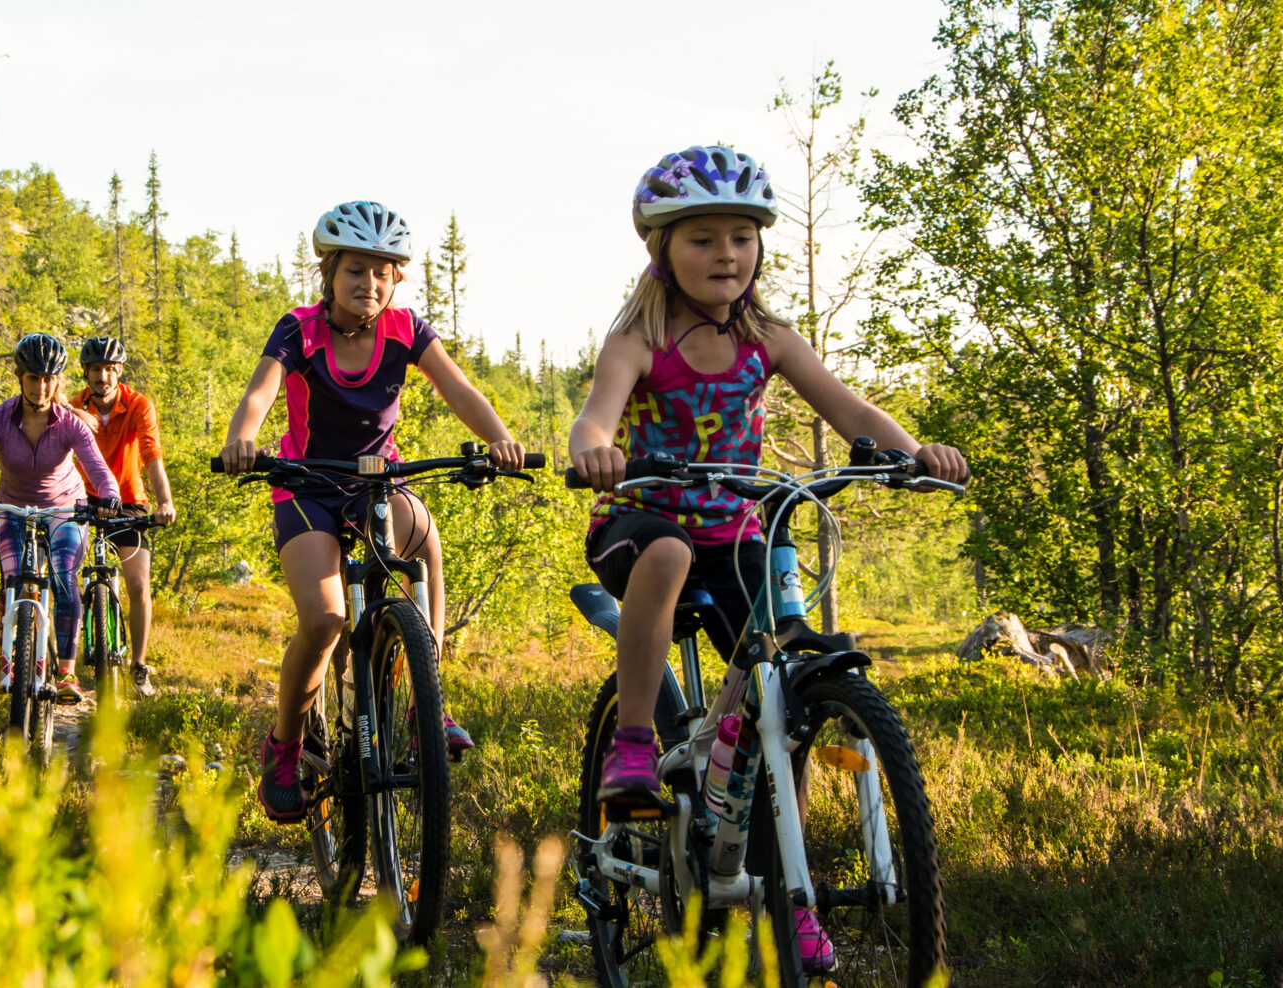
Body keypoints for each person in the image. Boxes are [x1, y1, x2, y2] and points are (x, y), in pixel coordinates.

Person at [564, 145, 970, 974]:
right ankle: (633, 741)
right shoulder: (640, 337)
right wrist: (594, 450)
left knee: (784, 699)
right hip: (639, 522)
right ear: (662, 250)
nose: (727, 254)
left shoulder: (769, 338)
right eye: (703, 239)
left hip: (735, 534)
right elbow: (595, 417)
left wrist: (913, 452)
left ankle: (790, 894)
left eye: (742, 238)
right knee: (669, 552)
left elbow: (850, 409)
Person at [219, 200, 528, 824]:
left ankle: (425, 707)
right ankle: (285, 747)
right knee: (326, 619)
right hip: (305, 485)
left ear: (397, 278)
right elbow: (261, 391)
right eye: (356, 270)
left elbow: (458, 388)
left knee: (424, 543)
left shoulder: (406, 329)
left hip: (376, 481)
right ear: (330, 273)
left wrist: (500, 439)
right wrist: (241, 439)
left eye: (383, 272)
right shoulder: (300, 329)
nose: (370, 283)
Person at [0, 332, 122, 706]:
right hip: (13, 506)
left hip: (64, 506)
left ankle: (66, 672)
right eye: (32, 378)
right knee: (11, 582)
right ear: (19, 377)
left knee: (63, 578)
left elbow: (98, 469)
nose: (40, 388)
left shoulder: (69, 423)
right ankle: (5, 662)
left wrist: (110, 496)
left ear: (57, 381)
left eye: (48, 379)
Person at [73, 335, 177, 697]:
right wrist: (73, 413)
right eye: (95, 369)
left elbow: (151, 454)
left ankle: (139, 666)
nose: (102, 376)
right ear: (86, 371)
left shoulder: (138, 405)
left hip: (130, 501)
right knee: (64, 575)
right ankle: (63, 664)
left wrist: (164, 502)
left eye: (109, 369)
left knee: (138, 584)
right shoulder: (73, 405)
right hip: (84, 499)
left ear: (119, 371)